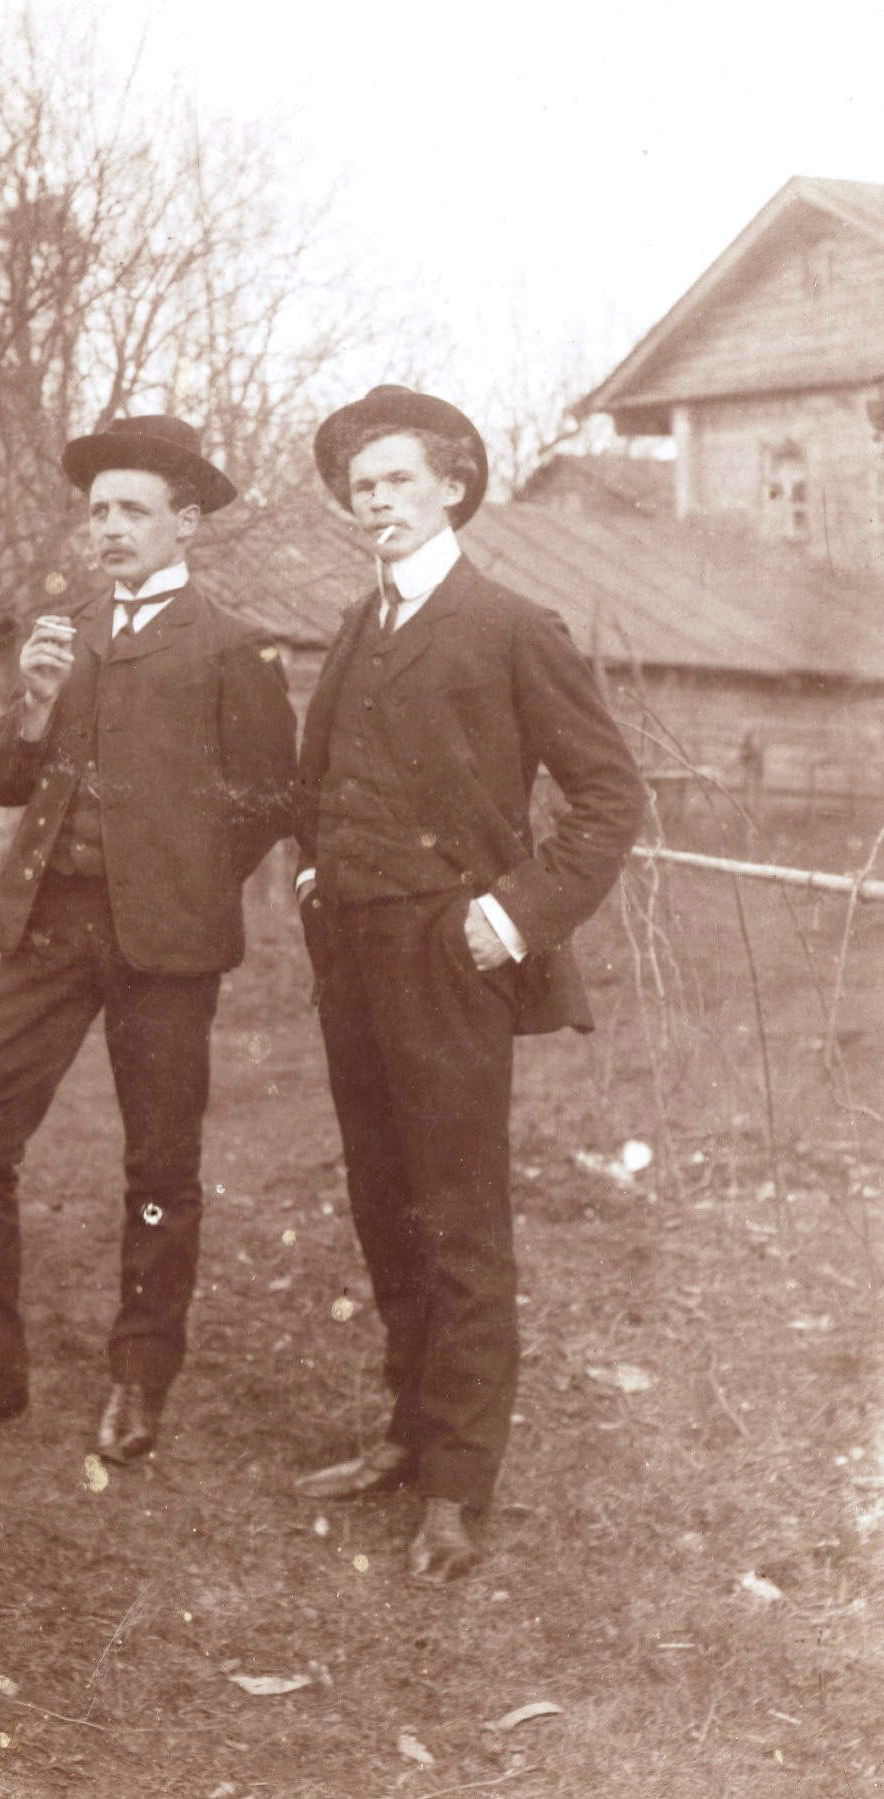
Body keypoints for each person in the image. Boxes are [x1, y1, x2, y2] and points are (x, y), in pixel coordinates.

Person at [0, 414, 297, 1465]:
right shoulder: (63, 631)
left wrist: (180, 886)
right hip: (50, 925)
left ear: (184, 523)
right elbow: (7, 782)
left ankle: (139, 1378)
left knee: (160, 1162)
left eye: (132, 511)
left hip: (166, 946)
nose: (108, 528)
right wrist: (33, 697)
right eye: (98, 510)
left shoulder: (232, 645)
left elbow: (266, 800)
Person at [291, 385, 646, 1581]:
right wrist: (312, 877)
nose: (373, 500)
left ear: (451, 487)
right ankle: (406, 1431)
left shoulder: (508, 624)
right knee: (382, 1202)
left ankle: (454, 1483)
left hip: (452, 955)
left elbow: (608, 796)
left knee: (456, 1218)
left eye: (396, 479)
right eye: (359, 485)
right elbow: (318, 776)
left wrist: (511, 915)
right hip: (354, 957)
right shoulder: (359, 622)